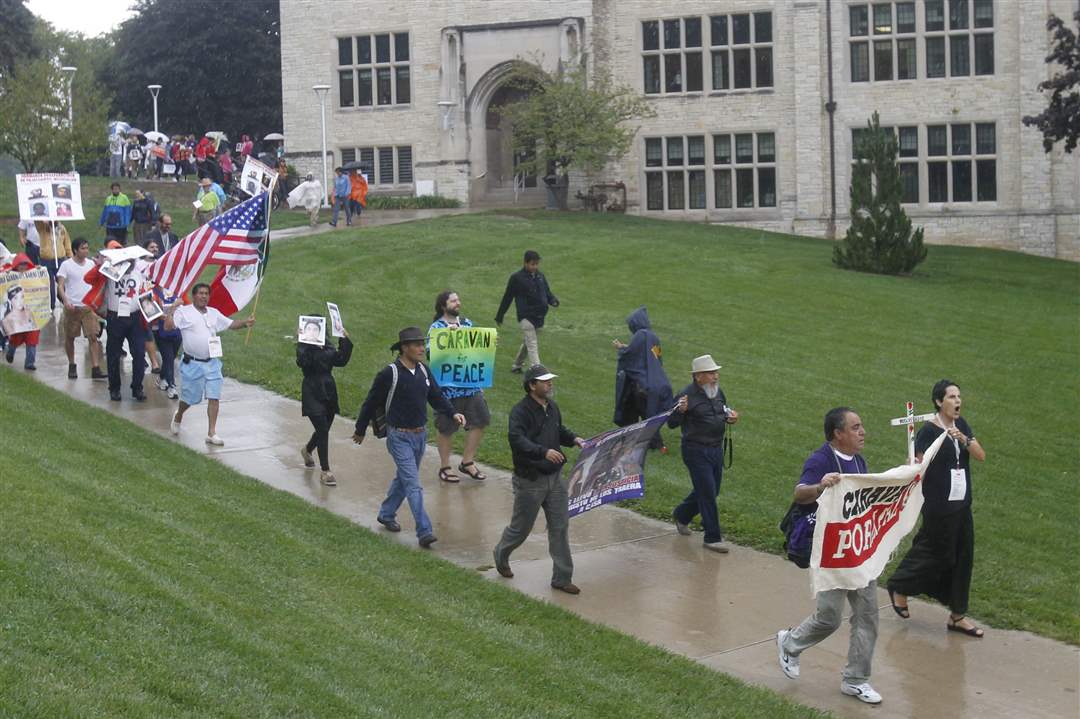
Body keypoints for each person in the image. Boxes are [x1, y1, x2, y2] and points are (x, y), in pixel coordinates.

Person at [776, 407, 882, 705]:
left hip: (858, 552)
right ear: (838, 434)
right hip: (831, 553)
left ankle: (856, 679)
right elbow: (799, 493)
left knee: (868, 617)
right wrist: (821, 485)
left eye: (861, 427)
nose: (863, 432)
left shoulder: (859, 462)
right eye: (856, 427)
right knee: (830, 617)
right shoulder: (820, 459)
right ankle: (790, 642)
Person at [887, 380, 987, 638]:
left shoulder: (961, 425)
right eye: (952, 397)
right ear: (939, 402)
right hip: (938, 505)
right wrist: (912, 463)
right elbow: (917, 464)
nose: (957, 401)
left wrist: (964, 439)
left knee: (963, 557)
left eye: (959, 396)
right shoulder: (928, 432)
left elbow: (980, 455)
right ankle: (900, 586)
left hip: (962, 503)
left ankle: (957, 616)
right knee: (935, 552)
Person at [353, 327, 466, 548]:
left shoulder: (423, 370)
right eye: (416, 345)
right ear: (404, 348)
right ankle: (424, 530)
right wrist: (360, 429)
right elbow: (370, 402)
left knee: (405, 479)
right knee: (413, 484)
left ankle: (386, 513)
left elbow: (436, 396)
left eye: (422, 344)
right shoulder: (390, 374)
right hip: (399, 437)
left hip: (420, 436)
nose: (422, 348)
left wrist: (453, 413)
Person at [493, 364, 586, 594]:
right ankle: (501, 553)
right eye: (544, 381)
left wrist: (574, 439)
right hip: (530, 480)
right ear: (532, 385)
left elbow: (558, 430)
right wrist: (542, 451)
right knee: (521, 529)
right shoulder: (520, 412)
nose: (550, 384)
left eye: (550, 380)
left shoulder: (551, 407)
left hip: (555, 479)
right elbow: (517, 439)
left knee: (560, 527)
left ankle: (562, 578)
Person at [165, 283, 255, 445]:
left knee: (214, 397)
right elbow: (168, 326)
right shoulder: (184, 312)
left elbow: (230, 324)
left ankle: (211, 432)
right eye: (200, 293)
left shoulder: (213, 313)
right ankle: (179, 414)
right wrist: (173, 308)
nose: (204, 296)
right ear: (194, 296)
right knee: (190, 399)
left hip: (212, 363)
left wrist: (245, 323)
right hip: (192, 363)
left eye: (206, 293)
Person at [668, 354, 740, 553]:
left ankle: (682, 515)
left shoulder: (717, 392)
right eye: (710, 373)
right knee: (708, 493)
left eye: (716, 372)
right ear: (698, 376)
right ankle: (712, 537)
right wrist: (680, 411)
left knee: (711, 490)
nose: (715, 376)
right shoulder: (685, 396)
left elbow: (722, 411)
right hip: (695, 450)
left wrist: (730, 417)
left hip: (715, 449)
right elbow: (671, 423)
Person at [429, 290, 492, 482]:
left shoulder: (467, 324)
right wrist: (448, 338)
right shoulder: (436, 328)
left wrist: (489, 344)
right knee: (446, 428)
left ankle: (467, 462)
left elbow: (477, 352)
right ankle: (445, 466)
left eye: (458, 300)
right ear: (443, 305)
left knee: (481, 421)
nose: (458, 303)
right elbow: (431, 354)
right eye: (453, 300)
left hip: (472, 386)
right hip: (448, 390)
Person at [297, 321, 353, 486]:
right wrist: (302, 342)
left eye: (316, 329)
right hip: (311, 389)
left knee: (324, 428)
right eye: (309, 329)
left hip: (328, 389)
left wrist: (344, 337)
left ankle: (307, 450)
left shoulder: (328, 349)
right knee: (322, 428)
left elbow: (342, 360)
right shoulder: (304, 349)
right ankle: (325, 470)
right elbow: (302, 362)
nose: (313, 332)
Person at [613, 305, 673, 451]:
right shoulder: (653, 336)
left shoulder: (640, 335)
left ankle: (652, 444)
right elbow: (653, 357)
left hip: (641, 385)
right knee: (647, 414)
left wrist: (621, 348)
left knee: (638, 413)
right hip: (656, 382)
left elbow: (630, 355)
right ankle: (653, 443)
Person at [495, 250, 560, 373]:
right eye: (532, 264)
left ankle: (517, 365)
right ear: (525, 263)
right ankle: (538, 372)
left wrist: (553, 300)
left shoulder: (540, 276)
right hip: (525, 316)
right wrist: (500, 315)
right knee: (532, 344)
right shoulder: (516, 278)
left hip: (539, 316)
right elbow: (507, 297)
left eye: (536, 264)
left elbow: (547, 292)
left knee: (528, 341)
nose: (535, 267)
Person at [99, 249, 151, 402]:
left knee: (139, 354)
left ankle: (137, 387)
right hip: (115, 317)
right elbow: (92, 278)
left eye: (132, 260)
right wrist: (102, 265)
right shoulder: (110, 272)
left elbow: (146, 294)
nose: (130, 263)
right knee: (113, 354)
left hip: (134, 316)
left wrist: (151, 313)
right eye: (127, 260)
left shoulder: (139, 274)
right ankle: (114, 388)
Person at [56, 238, 106, 380]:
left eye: (87, 248)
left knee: (93, 337)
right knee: (70, 337)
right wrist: (65, 300)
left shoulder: (91, 264)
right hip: (73, 307)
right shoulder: (66, 265)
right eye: (83, 248)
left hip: (88, 307)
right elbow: (60, 285)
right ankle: (72, 364)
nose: (86, 251)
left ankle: (95, 367)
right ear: (75, 250)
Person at [1, 253, 40, 370]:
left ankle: (29, 363)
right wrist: (5, 274)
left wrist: (39, 271)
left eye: (25, 264)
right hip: (17, 315)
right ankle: (10, 352)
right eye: (20, 265)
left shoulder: (34, 274)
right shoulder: (9, 274)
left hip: (31, 313)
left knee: (32, 339)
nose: (23, 267)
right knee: (16, 338)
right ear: (16, 266)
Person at [150, 284, 182, 399]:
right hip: (159, 331)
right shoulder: (150, 291)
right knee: (168, 357)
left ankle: (162, 377)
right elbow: (148, 310)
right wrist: (162, 316)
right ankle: (171, 386)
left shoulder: (176, 288)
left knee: (171, 357)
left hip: (176, 331)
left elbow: (185, 304)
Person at [35, 220, 72, 311]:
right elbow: (37, 221)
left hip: (60, 259)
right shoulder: (43, 228)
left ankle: (67, 303)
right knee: (50, 284)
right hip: (46, 260)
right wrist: (44, 220)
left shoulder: (62, 228)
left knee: (63, 283)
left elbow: (67, 243)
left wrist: (70, 256)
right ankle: (51, 306)